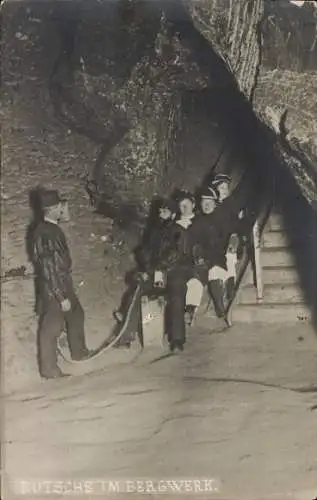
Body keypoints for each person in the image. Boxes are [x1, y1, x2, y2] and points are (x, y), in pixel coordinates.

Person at [30, 188, 91, 379]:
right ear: (55, 208)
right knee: (52, 326)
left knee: (76, 314)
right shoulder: (46, 233)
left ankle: (79, 352)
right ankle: (49, 370)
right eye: (61, 206)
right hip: (54, 287)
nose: (63, 209)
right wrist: (60, 295)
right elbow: (49, 267)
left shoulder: (49, 229)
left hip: (60, 283)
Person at [158, 191, 205, 351]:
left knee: (193, 283)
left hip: (196, 266)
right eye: (181, 206)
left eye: (187, 205)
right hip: (177, 267)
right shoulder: (173, 226)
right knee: (176, 292)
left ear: (193, 204)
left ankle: (189, 311)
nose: (184, 208)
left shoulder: (201, 223)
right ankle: (177, 340)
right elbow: (164, 249)